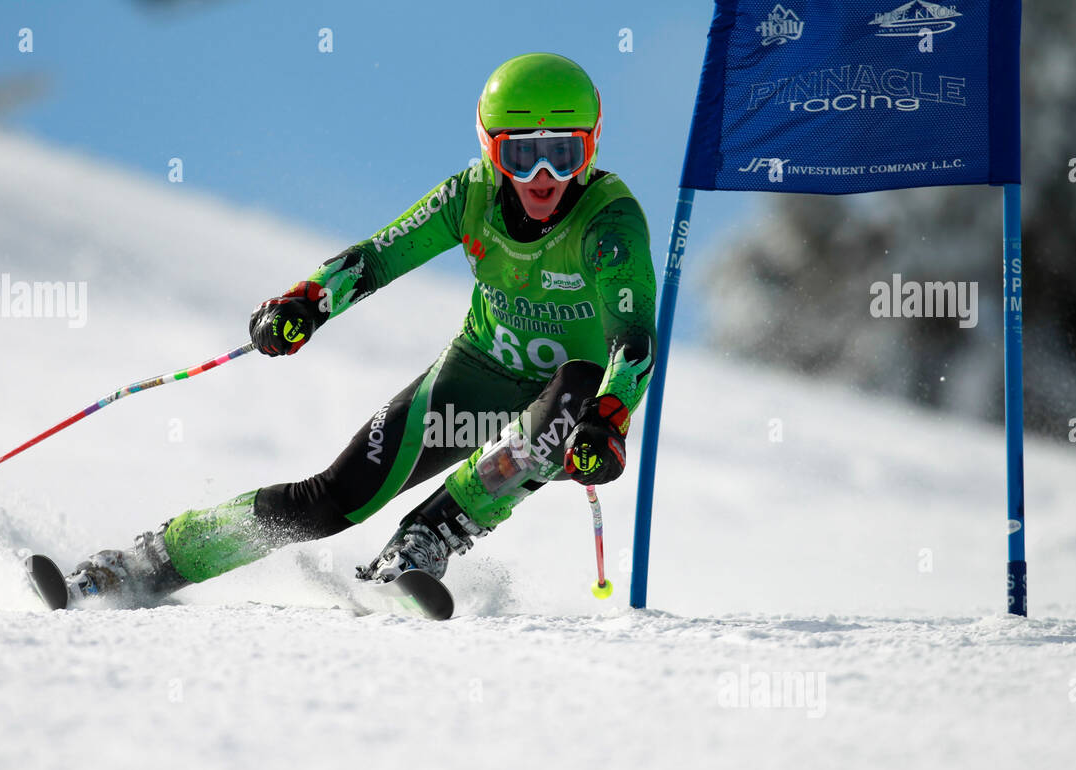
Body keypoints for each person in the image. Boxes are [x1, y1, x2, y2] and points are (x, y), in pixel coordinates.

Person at [60, 52, 657, 608]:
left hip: (563, 398)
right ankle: (149, 561)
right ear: (489, 153)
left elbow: (632, 343)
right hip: (474, 378)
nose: (544, 177)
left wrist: (609, 420)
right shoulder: (469, 197)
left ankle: (427, 539)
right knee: (329, 501)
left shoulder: (608, 224)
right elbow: (377, 257)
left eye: (565, 153)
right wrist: (306, 304)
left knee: (579, 390)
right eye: (520, 157)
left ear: (592, 148)